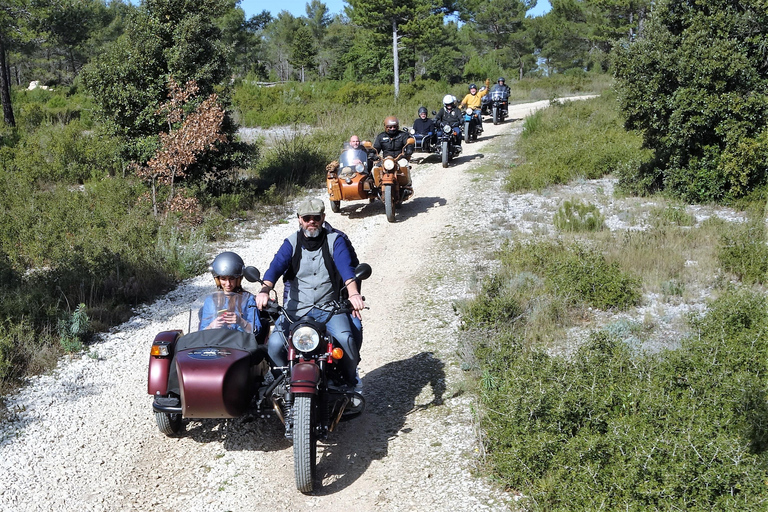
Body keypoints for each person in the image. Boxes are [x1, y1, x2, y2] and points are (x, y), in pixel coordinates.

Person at [257, 198, 365, 388]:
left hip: (329, 309)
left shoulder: (335, 240)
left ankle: (350, 382)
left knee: (346, 339)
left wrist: (353, 294)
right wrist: (264, 290)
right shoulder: (291, 243)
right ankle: (283, 384)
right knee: (274, 345)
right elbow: (275, 267)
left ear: (323, 217)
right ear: (300, 219)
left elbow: (346, 269)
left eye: (316, 217)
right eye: (307, 218)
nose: (311, 222)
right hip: (295, 311)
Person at [199, 251, 261, 333]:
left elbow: (255, 331)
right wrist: (212, 326)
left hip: (240, 340)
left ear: (238, 279)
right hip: (217, 339)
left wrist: (240, 321)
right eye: (223, 279)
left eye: (232, 279)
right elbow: (201, 333)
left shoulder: (248, 299)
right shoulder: (211, 300)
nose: (228, 284)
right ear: (218, 280)